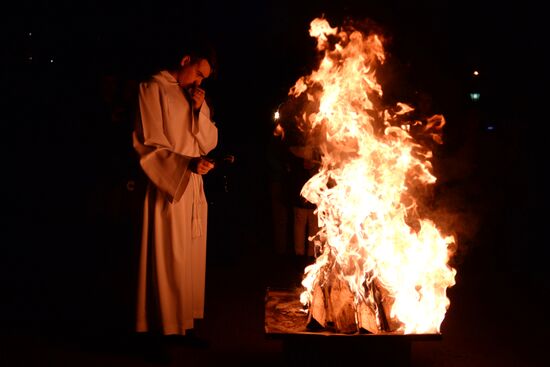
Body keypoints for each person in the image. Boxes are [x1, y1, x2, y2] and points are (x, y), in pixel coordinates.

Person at [132, 40, 218, 339]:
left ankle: (185, 326)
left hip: (193, 188)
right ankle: (160, 331)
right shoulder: (151, 88)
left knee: (190, 258)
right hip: (167, 186)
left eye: (203, 79)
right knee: (167, 259)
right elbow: (148, 143)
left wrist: (197, 111)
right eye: (198, 73)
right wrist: (185, 165)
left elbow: (208, 142)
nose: (199, 82)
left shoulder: (193, 97)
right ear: (184, 59)